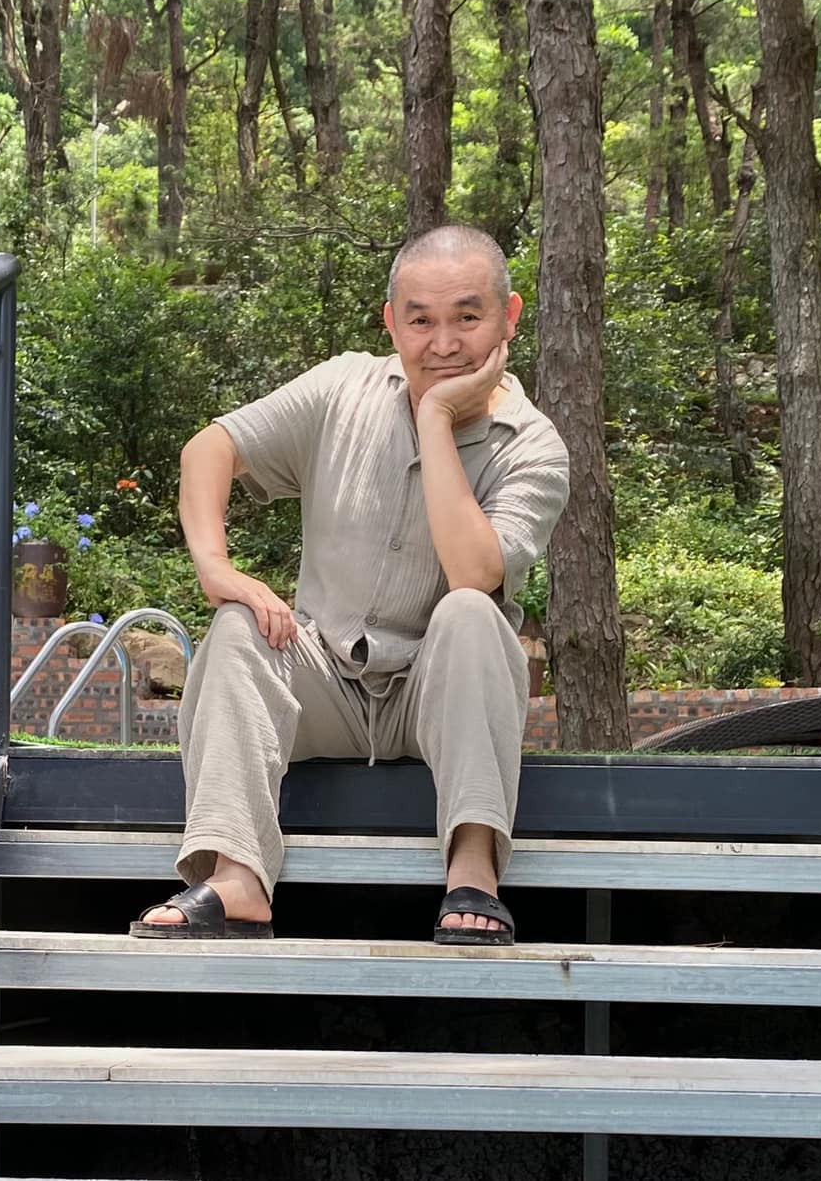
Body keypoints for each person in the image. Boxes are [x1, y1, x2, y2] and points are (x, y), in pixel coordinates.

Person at [130, 224, 571, 946]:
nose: (444, 343)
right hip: (324, 683)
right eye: (421, 321)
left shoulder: (533, 445)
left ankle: (473, 870)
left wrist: (435, 418)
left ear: (509, 316)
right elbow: (210, 448)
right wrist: (216, 568)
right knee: (238, 625)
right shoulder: (342, 386)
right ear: (391, 321)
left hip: (439, 697)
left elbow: (473, 571)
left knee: (469, 611)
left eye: (467, 316)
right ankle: (237, 878)